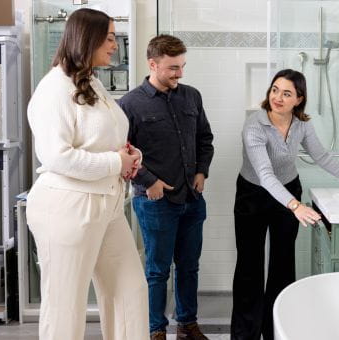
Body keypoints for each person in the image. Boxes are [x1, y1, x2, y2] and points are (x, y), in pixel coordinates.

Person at [26, 8, 149, 340]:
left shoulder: (91, 82)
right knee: (65, 307)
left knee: (131, 292)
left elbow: (105, 138)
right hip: (67, 208)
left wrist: (130, 155)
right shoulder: (54, 89)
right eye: (109, 38)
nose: (114, 46)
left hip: (107, 205)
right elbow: (56, 156)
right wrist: (115, 163)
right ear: (87, 38)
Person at [230, 69, 339, 340]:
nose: (278, 97)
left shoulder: (302, 124)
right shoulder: (254, 125)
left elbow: (322, 156)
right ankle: (244, 336)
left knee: (282, 264)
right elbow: (264, 174)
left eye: (287, 93)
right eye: (275, 90)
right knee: (249, 268)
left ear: (299, 99)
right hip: (253, 195)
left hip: (288, 189)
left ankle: (276, 330)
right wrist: (295, 206)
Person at [118, 34, 214, 340]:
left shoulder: (191, 96)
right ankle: (155, 329)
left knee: (189, 266)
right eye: (173, 67)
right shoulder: (130, 104)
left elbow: (204, 140)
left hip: (192, 196)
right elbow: (121, 154)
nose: (180, 73)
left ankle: (187, 324)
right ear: (153, 64)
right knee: (157, 270)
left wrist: (201, 172)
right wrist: (149, 182)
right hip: (154, 201)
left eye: (182, 66)